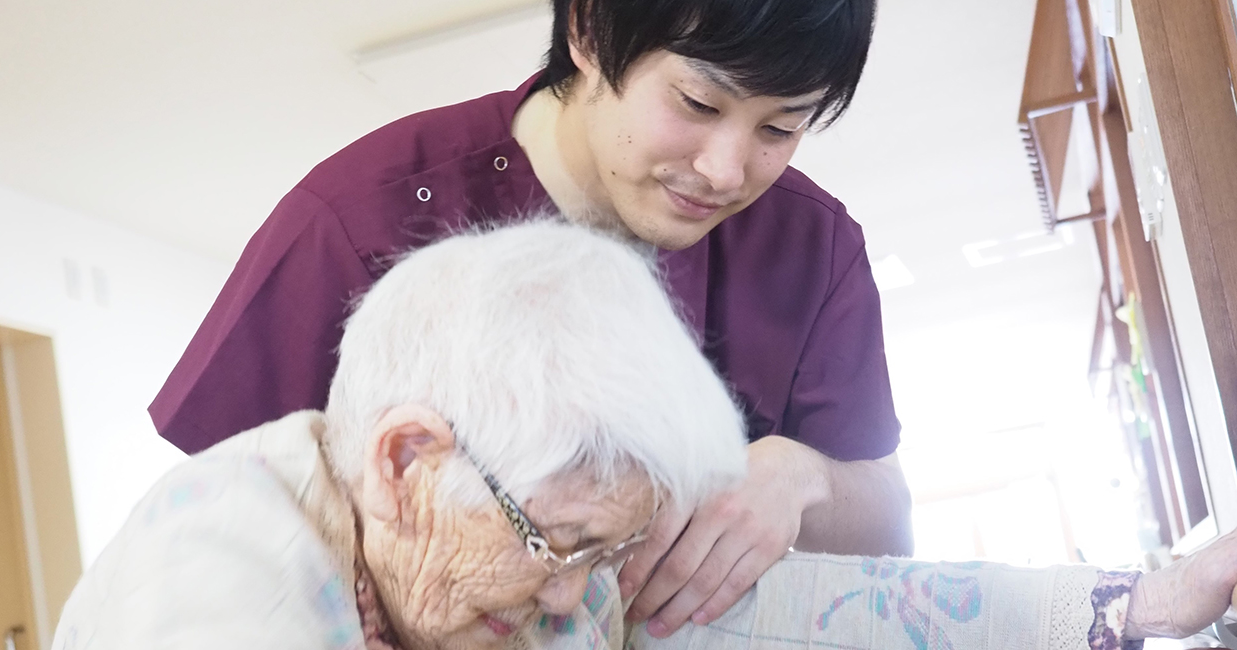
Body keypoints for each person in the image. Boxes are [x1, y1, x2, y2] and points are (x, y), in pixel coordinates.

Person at [65, 222, 1237, 650]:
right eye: (563, 541)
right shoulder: (210, 596)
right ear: (405, 460)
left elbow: (788, 612)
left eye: (608, 551)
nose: (584, 593)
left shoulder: (519, 550)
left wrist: (1141, 603)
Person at [151, 0, 909, 636]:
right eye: (698, 105)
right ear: (585, 28)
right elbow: (224, 529)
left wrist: (806, 480)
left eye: (779, 129)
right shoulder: (354, 224)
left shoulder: (811, 247)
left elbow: (889, 535)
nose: (725, 171)